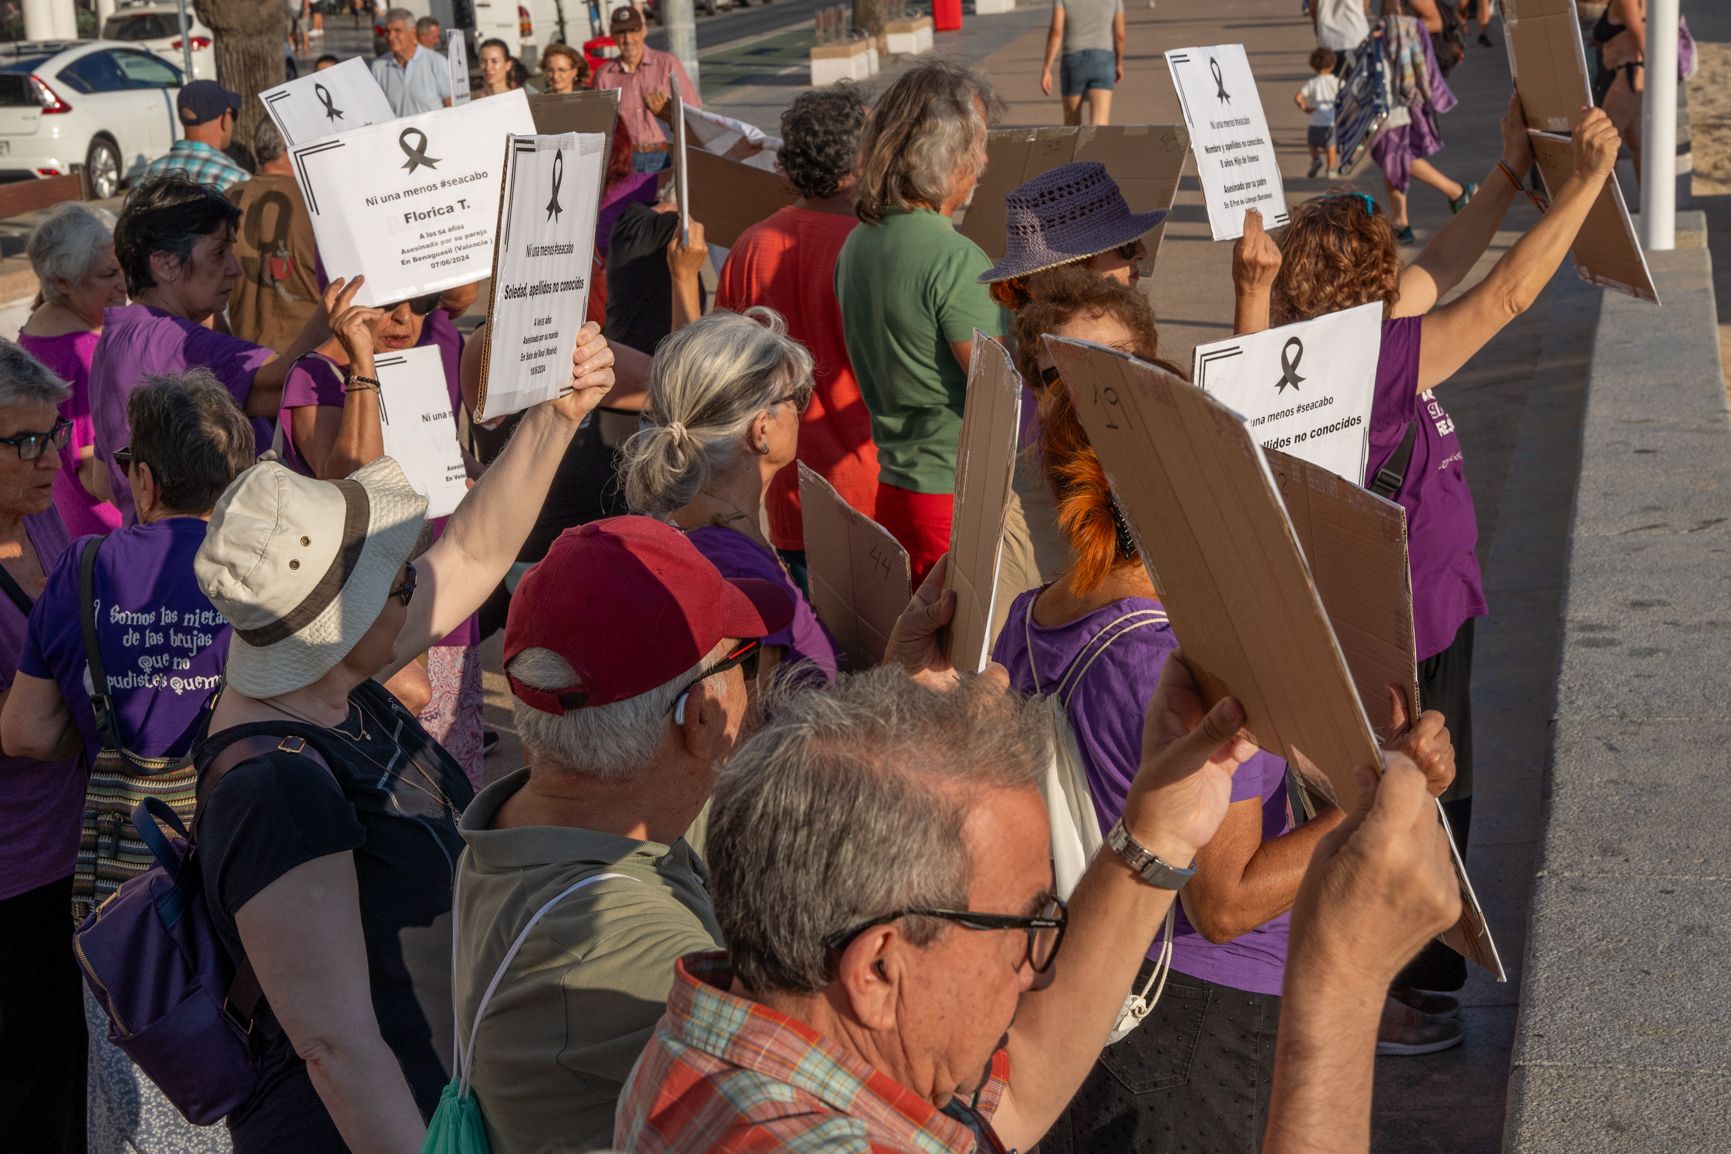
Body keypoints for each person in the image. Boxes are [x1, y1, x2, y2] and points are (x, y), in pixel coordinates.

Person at [614, 623, 1465, 1154]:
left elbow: (1011, 1099)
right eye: (1024, 923)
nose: (1034, 965)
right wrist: (1340, 993)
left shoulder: (726, 1041)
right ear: (877, 968)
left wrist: (1157, 835)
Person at [992, 278, 1454, 1151]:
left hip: (1091, 998)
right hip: (1199, 1022)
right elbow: (1227, 902)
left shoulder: (1032, 615)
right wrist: (1383, 796)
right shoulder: (1173, 659)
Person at [186, 321, 616, 1152]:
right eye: (395, 577)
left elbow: (476, 552)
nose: (417, 577)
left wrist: (556, 416)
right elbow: (336, 1049)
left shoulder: (340, 683)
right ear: (339, 625)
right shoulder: (275, 786)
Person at [1247, 100, 1621, 1050]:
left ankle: (1410, 973)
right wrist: (1579, 187)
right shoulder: (1373, 367)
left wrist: (1502, 179)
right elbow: (1500, 298)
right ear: (1362, 297)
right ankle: (1403, 991)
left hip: (1428, 609)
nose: (1403, 277)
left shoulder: (1346, 345)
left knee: (1421, 789)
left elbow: (1439, 271)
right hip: (1405, 625)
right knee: (1417, 794)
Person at [454, 516, 793, 1154]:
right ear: (700, 714)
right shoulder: (619, 947)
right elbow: (849, 1109)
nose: (755, 685)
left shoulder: (530, 820)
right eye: (744, 662)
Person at [2, 371, 259, 1154]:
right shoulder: (269, 570)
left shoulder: (80, 564)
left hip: (121, 867)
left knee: (136, 1068)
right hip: (248, 844)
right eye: (29, 440)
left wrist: (111, 713)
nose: (50, 456)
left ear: (142, 478)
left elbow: (30, 731)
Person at [693, 84, 877, 581]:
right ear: (859, 162)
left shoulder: (751, 246)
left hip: (791, 496)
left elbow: (721, 376)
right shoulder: (877, 248)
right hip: (878, 490)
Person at [834, 59, 1006, 585]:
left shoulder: (858, 241)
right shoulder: (955, 258)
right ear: (951, 158)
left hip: (898, 490)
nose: (984, 160)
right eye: (978, 145)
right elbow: (1001, 396)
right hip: (956, 498)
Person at [91, 173, 330, 523]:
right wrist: (337, 306)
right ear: (166, 264)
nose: (235, 270)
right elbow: (289, 380)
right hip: (204, 554)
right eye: (219, 253)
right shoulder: (173, 340)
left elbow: (103, 480)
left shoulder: (114, 337)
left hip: (152, 545)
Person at [622, 310, 840, 684]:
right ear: (761, 430)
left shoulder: (705, 537)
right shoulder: (740, 581)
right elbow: (753, 734)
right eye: (796, 398)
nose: (801, 411)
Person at [0, 339, 82, 1154]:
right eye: (24, 441)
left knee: (62, 1075)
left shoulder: (42, 516)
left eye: (51, 434)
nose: (47, 458)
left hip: (68, 853)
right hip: (11, 874)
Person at [18, 202, 126, 537]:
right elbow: (96, 472)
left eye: (123, 268)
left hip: (63, 522)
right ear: (63, 282)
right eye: (108, 274)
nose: (125, 283)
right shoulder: (86, 353)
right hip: (107, 529)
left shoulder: (38, 327)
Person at [1369, 1, 1476, 244]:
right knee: (1393, 150)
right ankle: (1401, 221)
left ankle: (1456, 192)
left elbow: (1434, 21)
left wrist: (1392, 30)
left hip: (1402, 80)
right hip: (1388, 74)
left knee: (1391, 150)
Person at [227, 117, 322, 355]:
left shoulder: (227, 198)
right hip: (309, 358)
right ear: (293, 148)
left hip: (245, 356)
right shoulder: (316, 202)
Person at [593, 5, 699, 175]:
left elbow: (694, 114)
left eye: (633, 31)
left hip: (665, 156)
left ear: (644, 31)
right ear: (613, 35)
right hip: (625, 161)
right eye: (621, 33)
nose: (628, 39)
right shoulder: (604, 75)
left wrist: (665, 112)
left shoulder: (668, 64)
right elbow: (600, 128)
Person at [605, 172, 695, 355]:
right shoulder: (673, 229)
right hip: (651, 360)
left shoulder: (629, 217)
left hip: (618, 347)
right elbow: (691, 335)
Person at [143, 80, 249, 193]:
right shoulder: (238, 181)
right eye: (233, 114)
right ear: (223, 120)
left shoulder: (147, 176)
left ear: (181, 119)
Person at [1039, 0, 1126, 126]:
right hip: (1103, 60)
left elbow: (1056, 32)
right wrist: (1119, 63)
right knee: (1100, 127)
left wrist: (1047, 69)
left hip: (1073, 60)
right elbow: (1120, 35)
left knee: (1072, 125)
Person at [1592, 0, 1644, 182]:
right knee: (1636, 141)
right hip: (1631, 73)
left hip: (1630, 74)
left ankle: (1611, 202)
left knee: (1604, 140)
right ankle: (1651, 202)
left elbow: (1642, 39)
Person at [372, 6, 453, 116]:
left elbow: (451, 106)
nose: (391, 36)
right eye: (387, 31)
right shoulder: (378, 67)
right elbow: (376, 110)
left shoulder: (436, 62)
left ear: (413, 32)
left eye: (397, 31)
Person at [1297, 48, 1342, 177]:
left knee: (1312, 144)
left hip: (1315, 121)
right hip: (1330, 121)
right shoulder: (1336, 82)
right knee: (1331, 146)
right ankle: (1331, 169)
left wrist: (1305, 108)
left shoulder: (1312, 83)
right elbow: (1346, 94)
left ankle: (1316, 159)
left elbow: (1298, 97)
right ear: (1333, 65)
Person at [1313, 0, 1370, 65]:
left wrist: (1317, 26)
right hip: (1355, 35)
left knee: (1329, 72)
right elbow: (1365, 4)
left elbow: (1314, 7)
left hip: (1328, 37)